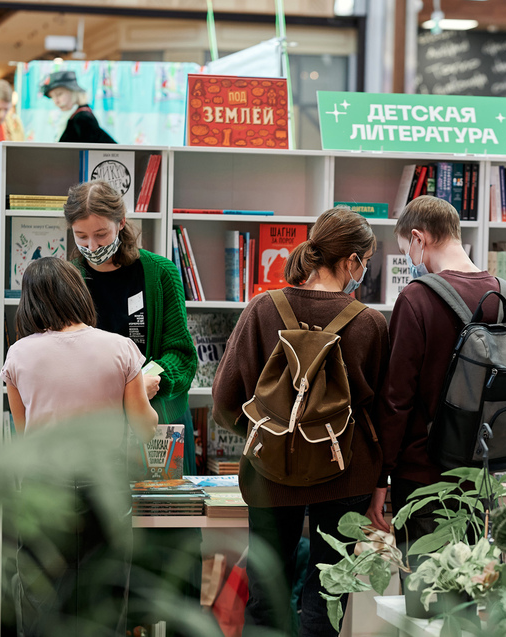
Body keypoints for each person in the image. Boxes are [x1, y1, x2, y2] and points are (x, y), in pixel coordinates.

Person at [211, 207, 390, 637]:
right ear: (351, 262)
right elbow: (382, 414)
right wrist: (381, 482)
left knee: (268, 593)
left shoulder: (262, 309)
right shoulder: (370, 323)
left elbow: (223, 402)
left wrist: (267, 438)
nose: (363, 270)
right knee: (328, 593)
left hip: (271, 473)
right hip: (348, 473)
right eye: (364, 261)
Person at [1, 257, 158, 636]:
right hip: (103, 491)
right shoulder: (120, 349)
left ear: (31, 302)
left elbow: (25, 435)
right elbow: (144, 428)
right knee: (103, 603)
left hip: (42, 491)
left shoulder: (19, 354)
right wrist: (143, 393)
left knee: (41, 605)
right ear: (78, 294)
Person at [367, 195, 506, 544]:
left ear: (418, 238)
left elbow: (397, 400)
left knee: (428, 592)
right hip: (483, 472)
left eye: (407, 251)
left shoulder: (417, 298)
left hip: (424, 477)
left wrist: (381, 480)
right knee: (469, 588)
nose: (411, 261)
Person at [63, 180, 198, 471]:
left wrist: (142, 380)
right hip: (93, 428)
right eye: (81, 236)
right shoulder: (66, 280)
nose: (92, 246)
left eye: (101, 234)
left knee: (165, 515)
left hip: (158, 420)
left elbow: (182, 355)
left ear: (121, 223)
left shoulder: (161, 273)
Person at [44, 69, 117, 144]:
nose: (56, 101)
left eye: (59, 94)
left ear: (73, 92)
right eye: (52, 97)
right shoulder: (75, 115)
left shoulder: (82, 118)